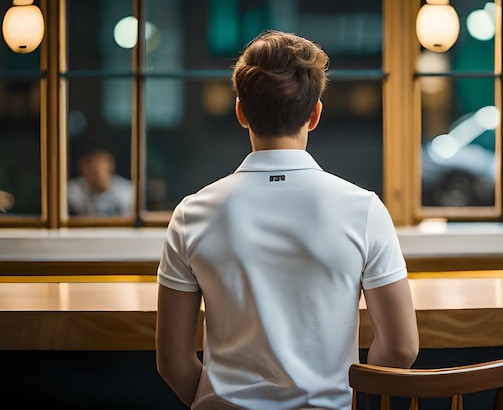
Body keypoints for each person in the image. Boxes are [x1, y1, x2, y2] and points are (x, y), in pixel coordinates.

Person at [156, 30, 419, 410]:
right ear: (314, 115)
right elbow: (402, 347)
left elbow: (173, 362)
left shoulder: (190, 215)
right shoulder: (364, 209)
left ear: (240, 112)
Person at [67, 137, 133, 216]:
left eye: (99, 161)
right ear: (81, 166)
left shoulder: (127, 192)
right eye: (89, 162)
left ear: (110, 163)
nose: (94, 167)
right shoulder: (72, 192)